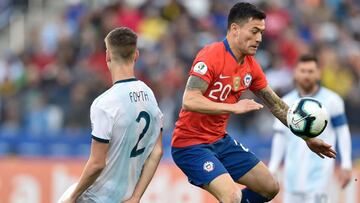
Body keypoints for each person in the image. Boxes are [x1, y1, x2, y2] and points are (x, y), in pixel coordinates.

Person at [171, 2, 336, 203]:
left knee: (270, 187)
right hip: (190, 145)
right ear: (235, 29)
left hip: (220, 141)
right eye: (254, 31)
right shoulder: (211, 55)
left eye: (262, 32)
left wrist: (307, 138)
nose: (259, 38)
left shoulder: (250, 66)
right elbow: (189, 99)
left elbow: (276, 104)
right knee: (232, 197)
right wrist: (233, 107)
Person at [58, 27, 163, 203]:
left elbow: (97, 163)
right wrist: (136, 197)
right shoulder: (149, 95)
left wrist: (73, 196)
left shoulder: (105, 104)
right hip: (127, 197)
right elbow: (157, 151)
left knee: (68, 194)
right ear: (136, 55)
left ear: (107, 56)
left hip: (97, 198)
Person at [268, 54, 352, 203]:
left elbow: (343, 132)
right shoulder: (286, 103)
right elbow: (279, 136)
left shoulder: (332, 100)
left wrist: (346, 164)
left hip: (320, 178)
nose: (306, 75)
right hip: (292, 178)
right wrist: (273, 168)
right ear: (295, 73)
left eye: (311, 71)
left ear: (318, 73)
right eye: (303, 71)